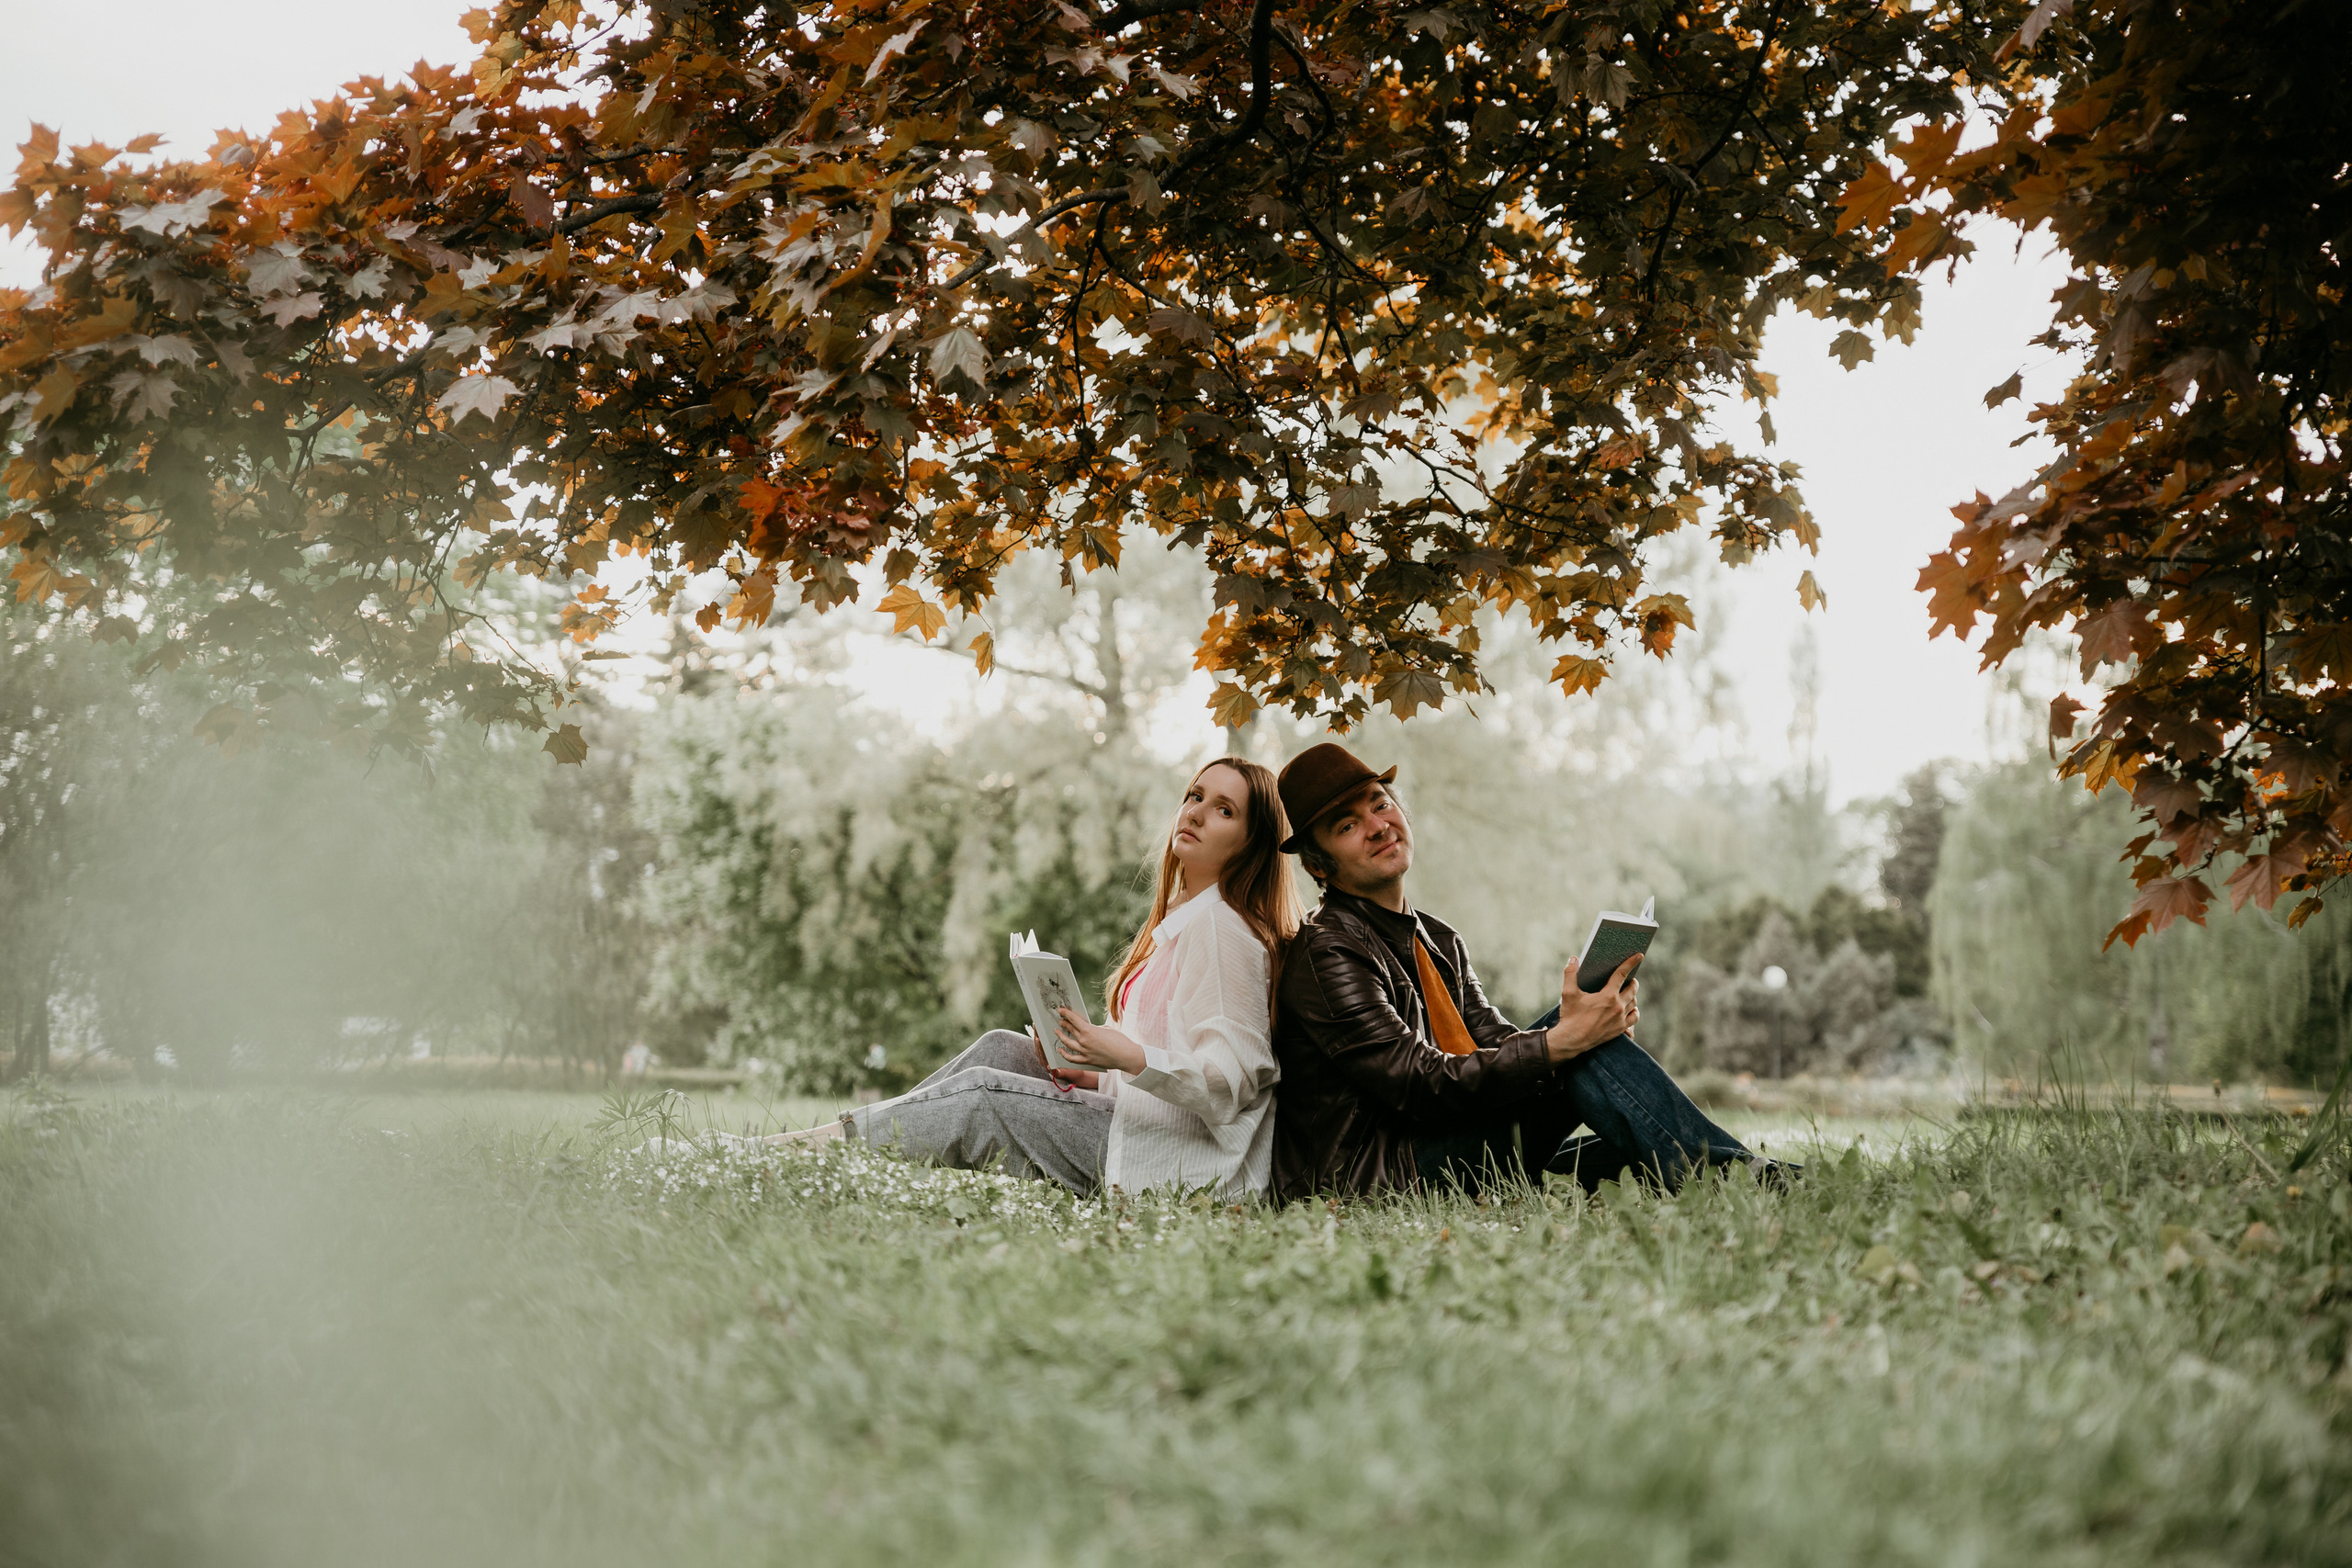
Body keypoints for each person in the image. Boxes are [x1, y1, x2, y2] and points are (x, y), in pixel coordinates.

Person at [772, 756, 1301, 1201]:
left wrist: (1121, 1053)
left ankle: (797, 1155)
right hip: (1144, 1124)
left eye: (1224, 810)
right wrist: (1090, 1070)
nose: (1197, 813)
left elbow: (1227, 1083)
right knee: (1001, 1050)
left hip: (1183, 1167)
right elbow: (1164, 1075)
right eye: (1195, 795)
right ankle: (829, 1145)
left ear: (1251, 843)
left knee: (983, 1095)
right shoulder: (1184, 922)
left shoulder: (1223, 930)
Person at [1269, 742, 1779, 1202]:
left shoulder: (1437, 937)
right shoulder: (1327, 950)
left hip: (1449, 1139)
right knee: (1575, 1048)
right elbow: (1417, 1083)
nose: (1378, 824)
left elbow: (1496, 1043)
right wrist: (1566, 1042)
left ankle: (1737, 1172)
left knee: (1598, 1082)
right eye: (1347, 825)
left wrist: (1586, 1024)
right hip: (1376, 1177)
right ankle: (1752, 1179)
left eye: (1380, 803)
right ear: (1319, 864)